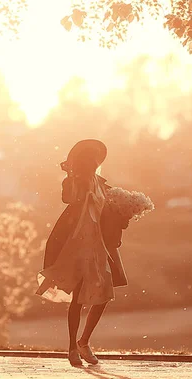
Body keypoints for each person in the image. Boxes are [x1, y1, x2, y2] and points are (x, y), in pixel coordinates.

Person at [36, 139, 128, 367]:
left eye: (95, 161)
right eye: (90, 161)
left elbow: (109, 211)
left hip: (100, 244)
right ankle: (72, 348)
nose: (94, 165)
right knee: (78, 298)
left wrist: (124, 215)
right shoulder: (75, 182)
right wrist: (74, 179)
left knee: (105, 293)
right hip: (77, 245)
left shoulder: (102, 185)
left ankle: (83, 341)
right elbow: (68, 198)